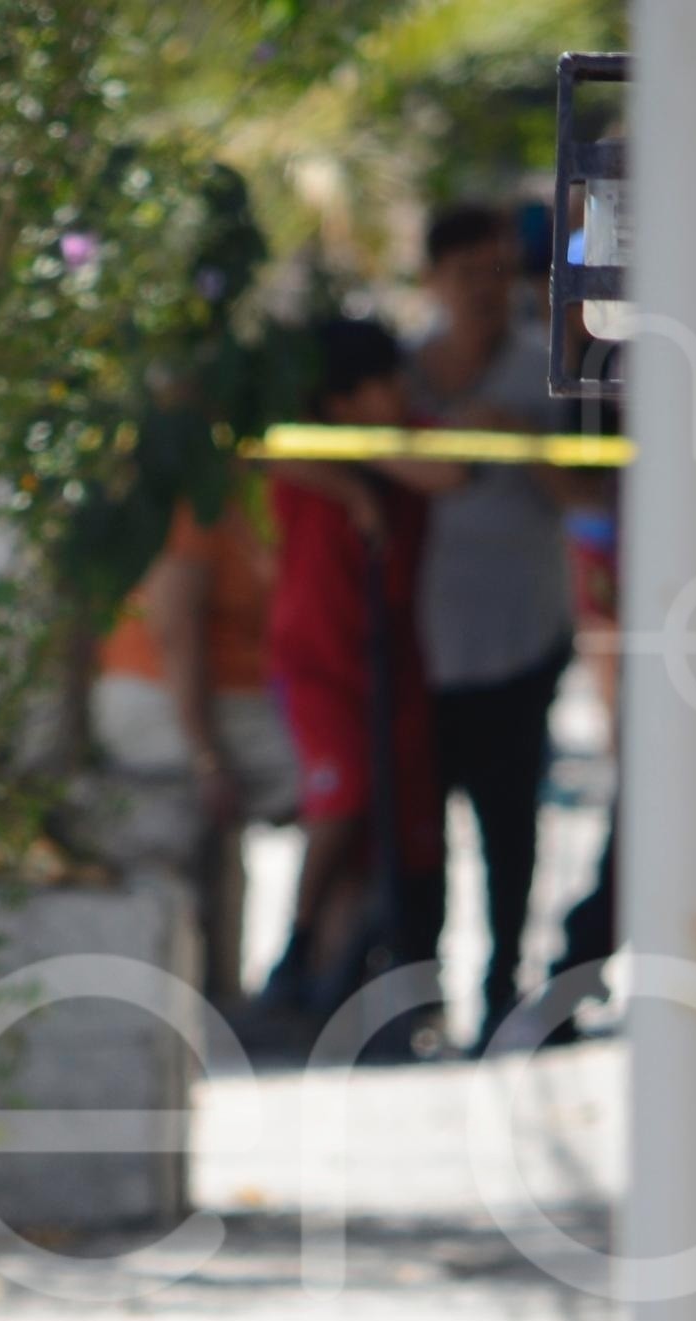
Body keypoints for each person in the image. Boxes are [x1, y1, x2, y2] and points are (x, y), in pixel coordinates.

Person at [405, 202, 591, 1053]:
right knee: (419, 830)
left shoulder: (544, 374)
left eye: (497, 273)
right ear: (432, 281)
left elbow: (589, 501)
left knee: (510, 828)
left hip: (521, 640)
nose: (484, 291)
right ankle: (417, 996)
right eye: (466, 274)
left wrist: (526, 443)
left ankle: (502, 988)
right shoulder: (401, 377)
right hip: (416, 647)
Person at [256, 317, 452, 1051]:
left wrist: (365, 470)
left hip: (394, 663)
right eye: (381, 384)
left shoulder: (412, 439)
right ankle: (296, 949)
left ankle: (341, 990)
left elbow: (453, 470)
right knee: (342, 799)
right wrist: (351, 486)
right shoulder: (299, 447)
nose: (398, 394)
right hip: (317, 662)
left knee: (388, 829)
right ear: (339, 400)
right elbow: (260, 452)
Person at [87, 480, 293, 1004]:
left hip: (212, 709)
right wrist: (206, 758)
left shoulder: (243, 500)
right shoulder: (193, 502)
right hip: (164, 707)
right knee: (330, 781)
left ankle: (233, 989)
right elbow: (174, 632)